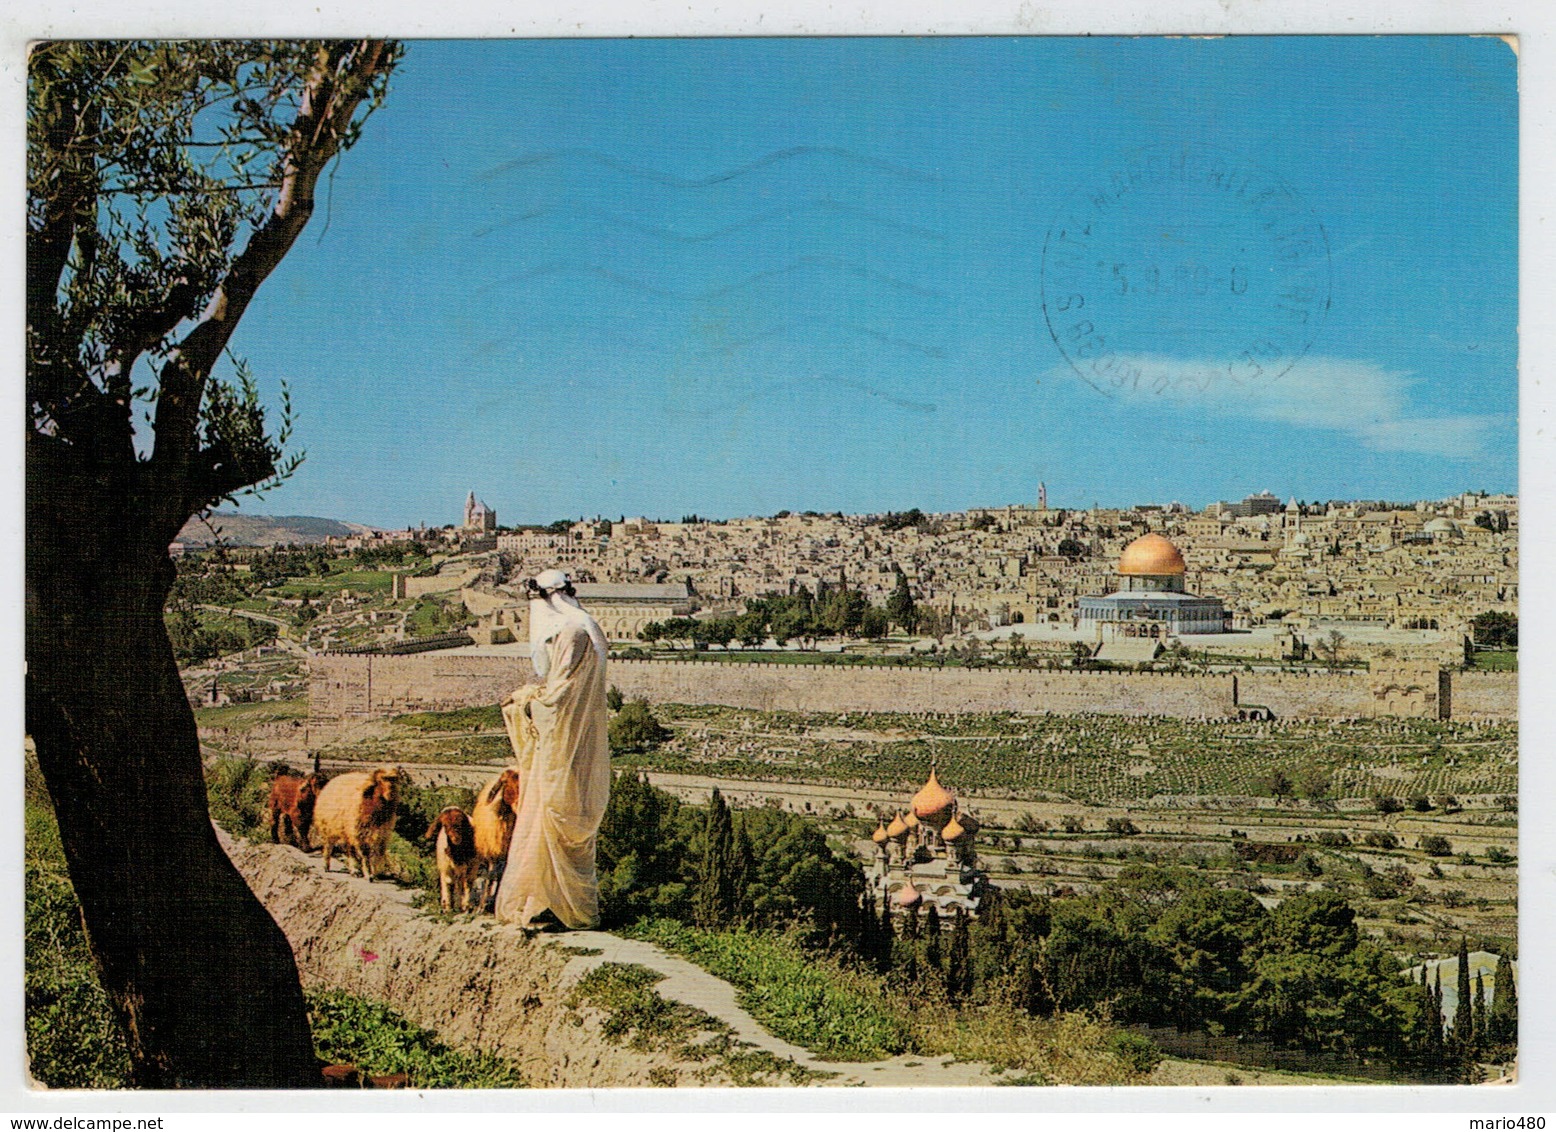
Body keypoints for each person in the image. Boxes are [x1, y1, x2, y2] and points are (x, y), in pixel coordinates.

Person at [494, 569, 611, 930]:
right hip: (579, 737)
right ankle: (556, 902)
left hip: (563, 743)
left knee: (554, 812)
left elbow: (559, 694)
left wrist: (523, 700)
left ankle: (557, 906)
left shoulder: (571, 632)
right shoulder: (584, 626)